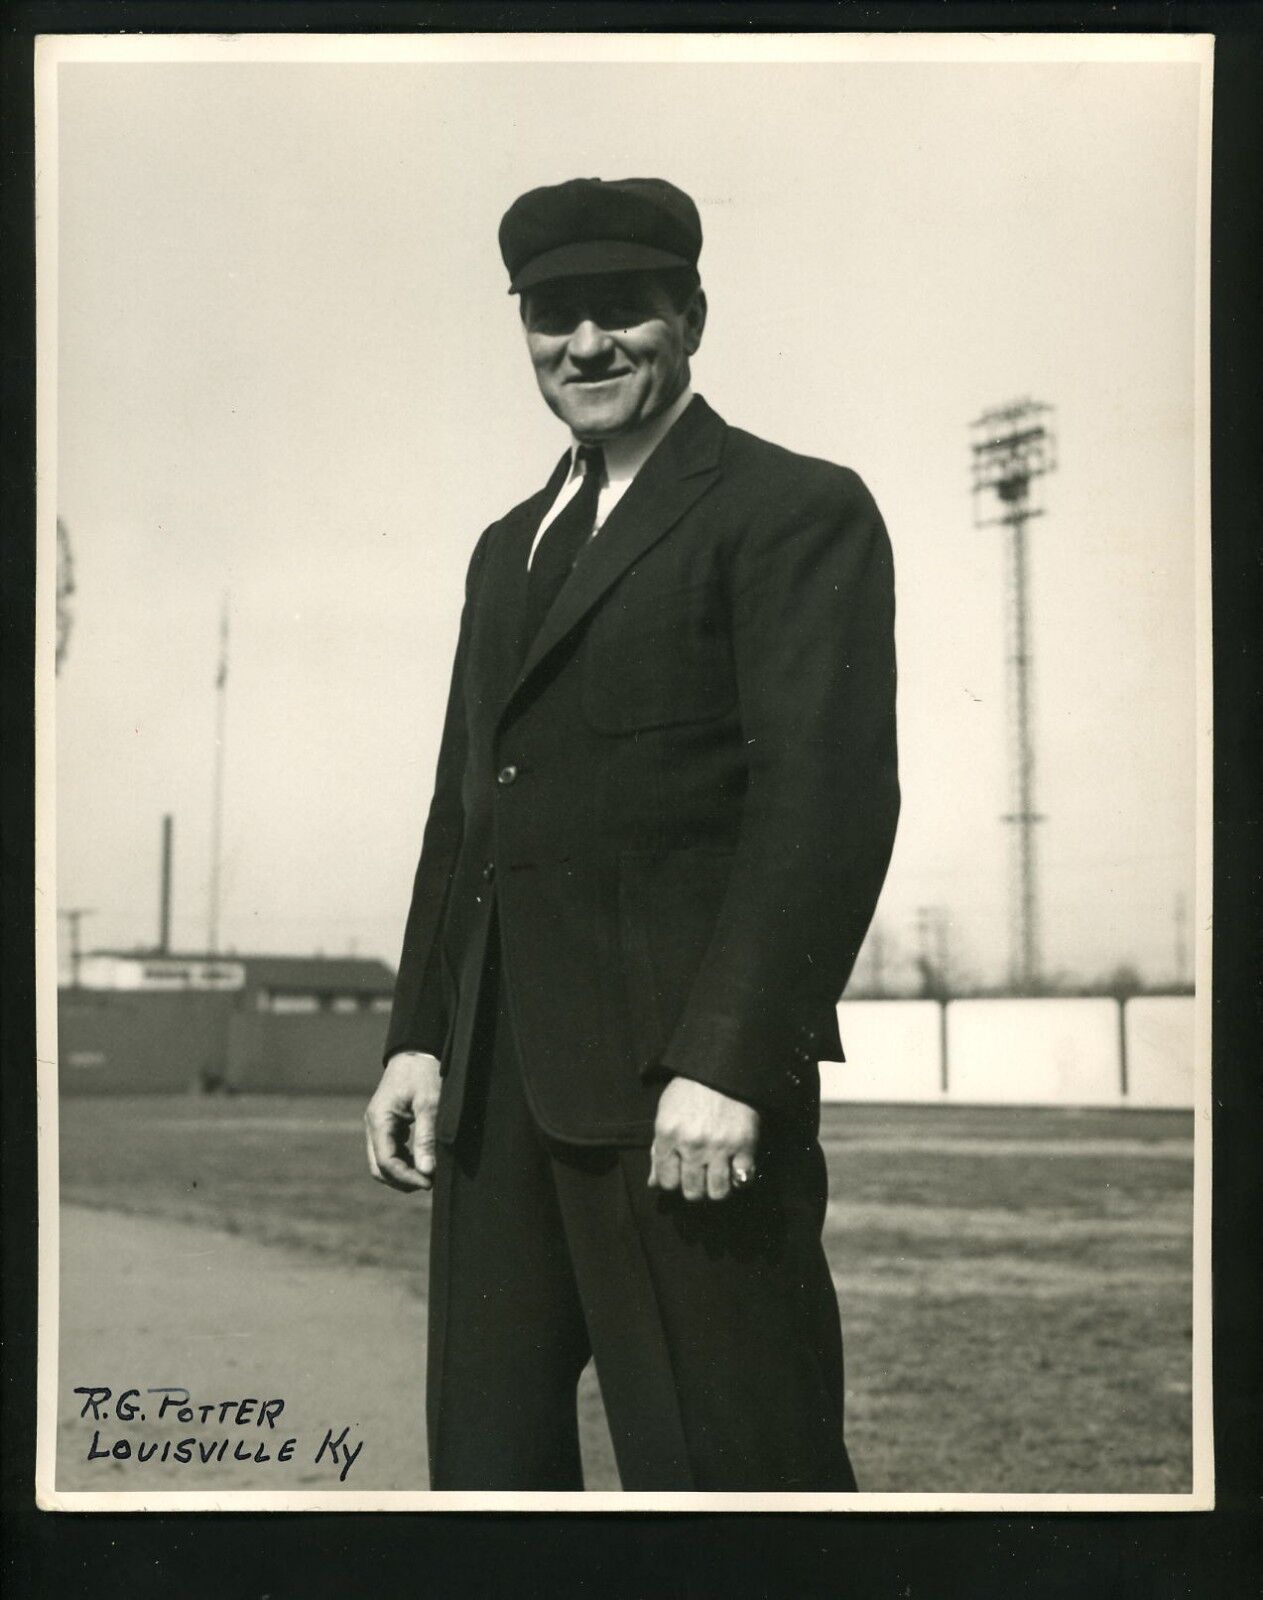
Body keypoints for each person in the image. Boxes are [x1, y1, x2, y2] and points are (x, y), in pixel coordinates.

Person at [364, 176, 899, 1492]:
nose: (585, 344)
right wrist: (421, 1036)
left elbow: (826, 807)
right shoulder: (506, 549)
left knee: (740, 1479)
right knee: (490, 1484)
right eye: (555, 315)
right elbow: (465, 812)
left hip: (682, 1109)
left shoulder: (791, 511)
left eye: (624, 310)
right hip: (493, 1113)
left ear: (692, 318)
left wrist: (728, 1060)